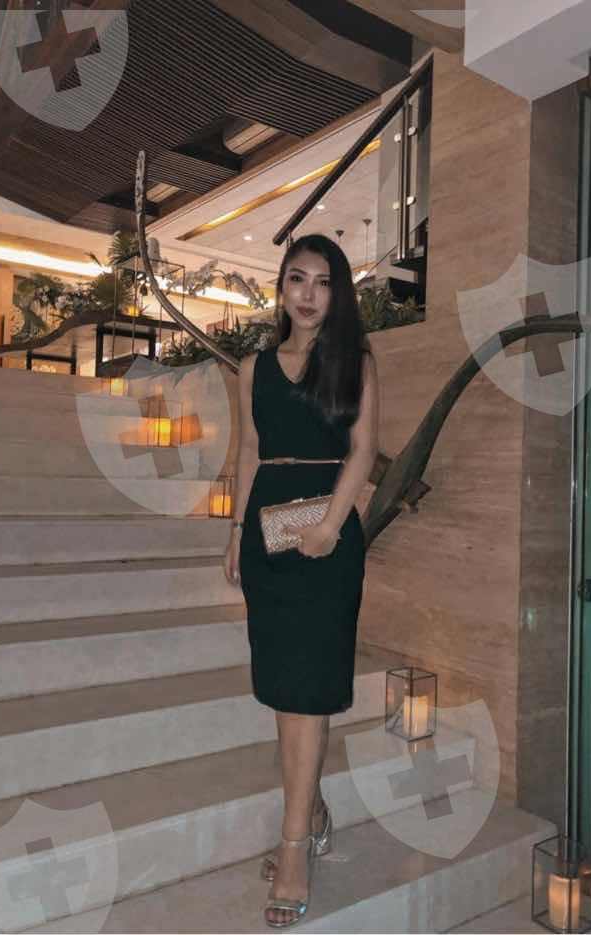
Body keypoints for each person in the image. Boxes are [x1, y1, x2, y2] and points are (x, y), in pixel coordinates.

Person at [223, 233, 379, 928]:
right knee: (286, 692)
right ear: (281, 288)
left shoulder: (354, 363)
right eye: (296, 278)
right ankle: (310, 811)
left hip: (327, 535)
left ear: (336, 293)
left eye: (322, 281)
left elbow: (363, 451)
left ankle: (294, 847)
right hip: (268, 534)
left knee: (310, 694)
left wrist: (331, 525)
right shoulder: (252, 368)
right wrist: (235, 532)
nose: (308, 294)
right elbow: (249, 452)